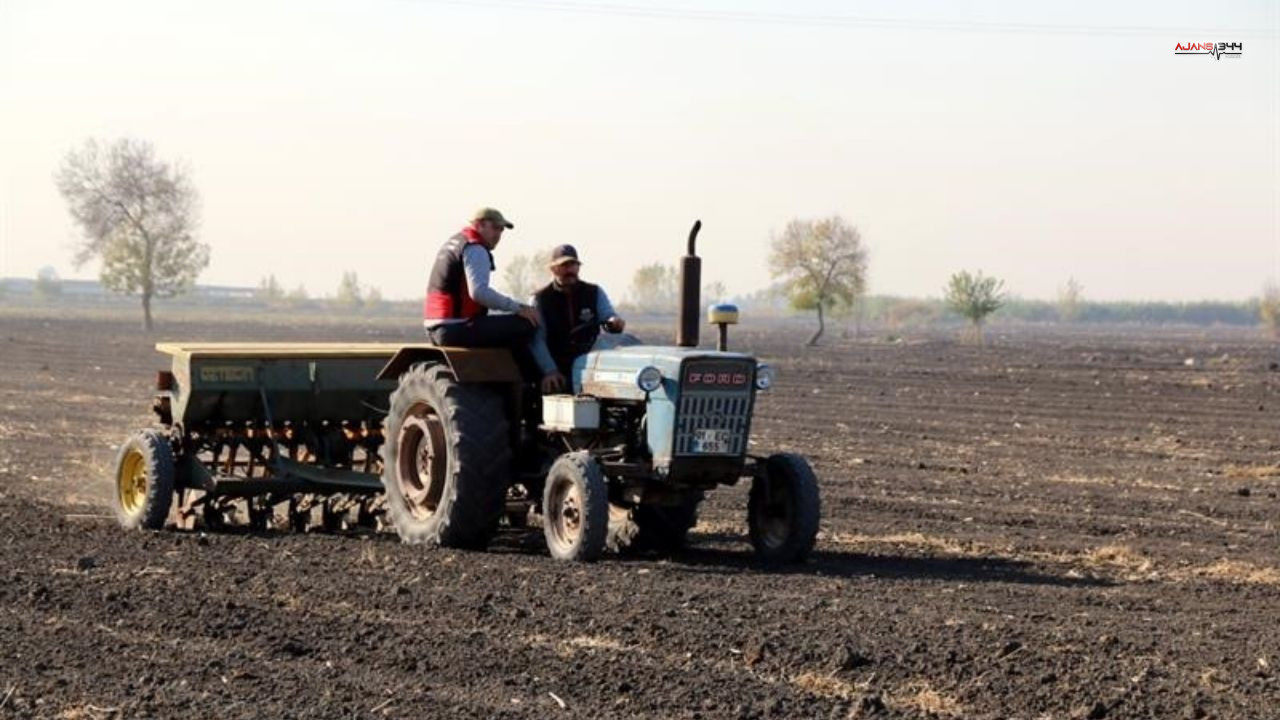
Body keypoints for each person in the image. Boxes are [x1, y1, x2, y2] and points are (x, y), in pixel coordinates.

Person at [423, 207, 541, 353]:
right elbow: (479, 292)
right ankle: (531, 373)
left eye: (501, 230)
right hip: (454, 327)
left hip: (436, 328)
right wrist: (519, 308)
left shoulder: (455, 242)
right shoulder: (475, 248)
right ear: (479, 225)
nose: (498, 234)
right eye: (495, 228)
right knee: (527, 324)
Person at [530, 244, 626, 394]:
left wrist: (615, 322)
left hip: (591, 363)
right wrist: (550, 371)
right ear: (553, 269)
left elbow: (608, 315)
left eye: (573, 265)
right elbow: (537, 340)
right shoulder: (541, 299)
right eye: (564, 265)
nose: (570, 270)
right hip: (558, 365)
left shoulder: (594, 292)